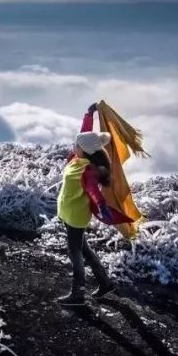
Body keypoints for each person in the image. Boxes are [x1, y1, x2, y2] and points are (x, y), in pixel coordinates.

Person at [55, 102, 126, 306]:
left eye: (76, 145)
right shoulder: (76, 159)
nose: (73, 147)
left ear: (84, 151)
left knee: (75, 252)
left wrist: (102, 207)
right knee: (83, 249)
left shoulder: (88, 170)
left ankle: (78, 293)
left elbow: (94, 192)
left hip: (76, 216)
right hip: (70, 214)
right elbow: (84, 134)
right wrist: (89, 114)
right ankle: (105, 283)